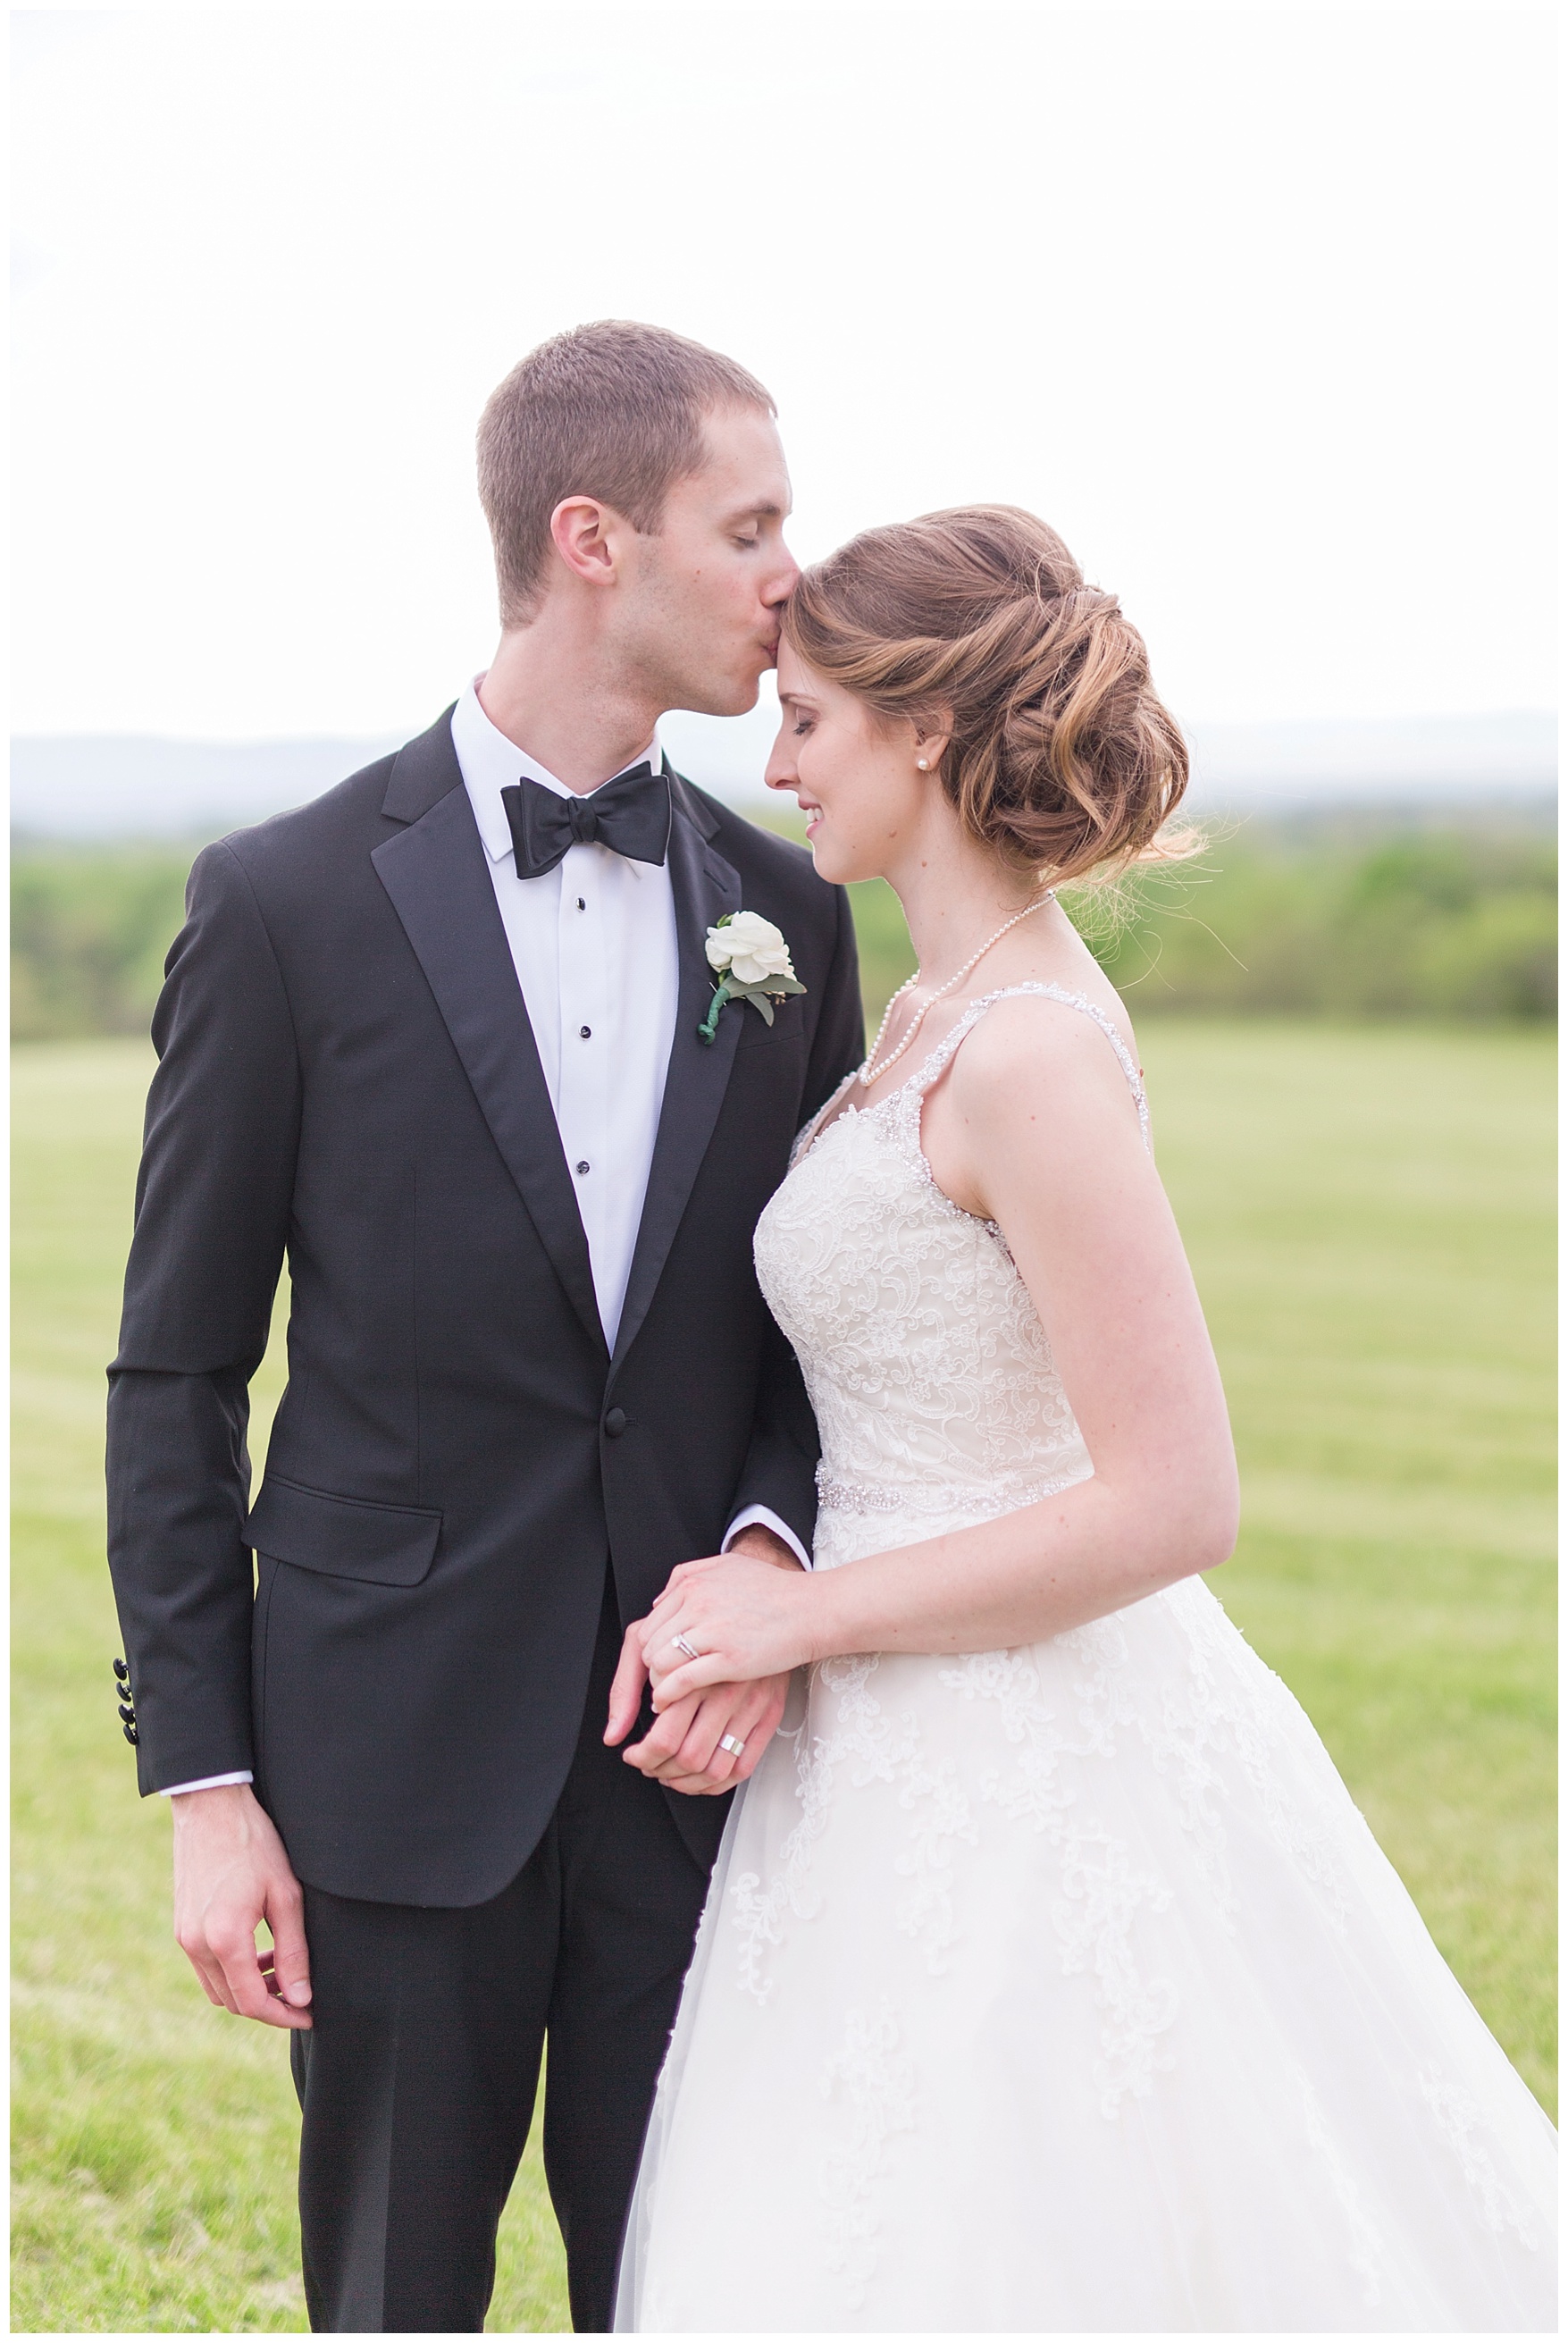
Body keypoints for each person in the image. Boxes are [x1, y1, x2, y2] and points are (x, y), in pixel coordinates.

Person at [609, 506, 1558, 2332]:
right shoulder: (924, 1008)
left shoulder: (1029, 1051)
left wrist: (798, 1614)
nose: (774, 755)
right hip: (887, 1737)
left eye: (806, 717)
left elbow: (1172, 1498)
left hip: (1031, 1739)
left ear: (927, 737)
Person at [104, 320, 864, 2334]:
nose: (794, 573)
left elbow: (824, 1328)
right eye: (753, 523)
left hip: (695, 1762)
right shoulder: (280, 904)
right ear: (592, 535)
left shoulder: (795, 920)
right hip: (382, 1765)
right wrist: (208, 1790)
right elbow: (177, 1373)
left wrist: (771, 1561)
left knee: (696, 2292)